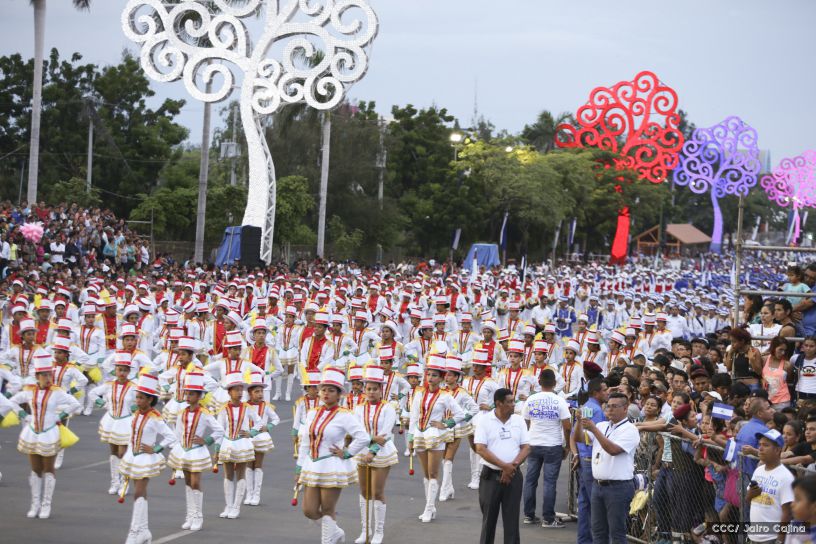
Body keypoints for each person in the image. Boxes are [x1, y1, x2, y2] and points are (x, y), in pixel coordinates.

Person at [297, 367, 370, 544]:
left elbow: (363, 437)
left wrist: (347, 453)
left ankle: (327, 540)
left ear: (339, 395)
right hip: (312, 465)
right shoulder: (312, 413)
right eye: (323, 389)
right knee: (309, 510)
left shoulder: (345, 415)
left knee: (328, 508)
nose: (326, 393)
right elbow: (305, 441)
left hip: (332, 465)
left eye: (331, 390)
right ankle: (335, 532)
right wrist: (299, 467)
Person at [118, 372, 177, 544]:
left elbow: (171, 436)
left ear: (150, 400)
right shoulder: (136, 413)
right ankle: (143, 531)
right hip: (133, 456)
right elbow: (133, 434)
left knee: (138, 493)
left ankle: (134, 531)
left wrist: (156, 448)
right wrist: (127, 452)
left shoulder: (155, 417)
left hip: (145, 458)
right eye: (137, 397)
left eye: (141, 398)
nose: (138, 401)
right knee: (140, 494)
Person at [408, 352, 466, 523]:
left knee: (433, 473)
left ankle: (428, 508)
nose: (430, 378)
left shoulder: (445, 396)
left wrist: (446, 424)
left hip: (435, 436)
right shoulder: (419, 393)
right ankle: (430, 507)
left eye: (434, 375)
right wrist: (410, 439)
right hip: (419, 434)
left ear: (441, 378)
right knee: (425, 474)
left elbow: (460, 414)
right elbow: (413, 416)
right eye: (428, 374)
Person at [575, 391, 640, 544]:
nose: (609, 409)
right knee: (598, 531)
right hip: (598, 485)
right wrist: (578, 422)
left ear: (625, 409)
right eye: (608, 406)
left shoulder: (630, 430)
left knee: (617, 532)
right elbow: (579, 438)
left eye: (614, 406)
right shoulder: (602, 425)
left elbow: (613, 450)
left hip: (618, 487)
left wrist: (594, 430)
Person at [167, 371, 225, 532]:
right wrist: (177, 451)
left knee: (195, 482)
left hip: (197, 452)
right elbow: (178, 434)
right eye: (187, 393)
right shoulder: (182, 413)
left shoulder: (205, 413)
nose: (188, 396)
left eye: (191, 394)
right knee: (187, 483)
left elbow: (219, 431)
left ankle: (198, 516)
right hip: (184, 450)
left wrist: (206, 440)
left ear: (199, 396)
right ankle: (190, 515)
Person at [474, 388, 530, 544]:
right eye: (510, 402)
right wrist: (504, 466)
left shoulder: (518, 420)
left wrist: (512, 466)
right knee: (488, 522)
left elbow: (526, 447)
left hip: (513, 476)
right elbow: (480, 448)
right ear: (498, 404)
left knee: (512, 522)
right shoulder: (485, 421)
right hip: (490, 477)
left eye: (513, 401)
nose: (514, 405)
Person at [353, 365, 399, 544]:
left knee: (377, 492)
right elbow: (357, 432)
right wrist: (367, 442)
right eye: (368, 389)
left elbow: (386, 435)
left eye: (374, 389)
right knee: (364, 491)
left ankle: (379, 531)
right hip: (362, 451)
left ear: (381, 390)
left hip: (381, 453)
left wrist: (373, 451)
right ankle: (365, 530)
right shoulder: (358, 409)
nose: (371, 392)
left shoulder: (389, 408)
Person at [522, 368, 571, 528]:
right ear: (555, 383)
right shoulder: (559, 401)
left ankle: (529, 515)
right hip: (552, 445)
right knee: (549, 482)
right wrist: (567, 446)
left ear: (539, 382)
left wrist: (527, 441)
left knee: (530, 481)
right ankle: (548, 519)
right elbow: (567, 426)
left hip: (533, 444)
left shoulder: (531, 399)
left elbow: (526, 423)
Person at [88, 350, 138, 495]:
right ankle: (114, 482)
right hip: (111, 421)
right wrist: (101, 402)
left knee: (123, 453)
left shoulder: (134, 386)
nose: (121, 373)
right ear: (115, 370)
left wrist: (136, 407)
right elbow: (93, 393)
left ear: (129, 371)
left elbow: (148, 398)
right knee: (114, 452)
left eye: (124, 370)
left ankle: (124, 482)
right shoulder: (109, 385)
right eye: (119, 369)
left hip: (125, 421)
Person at [216, 372, 262, 519]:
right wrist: (217, 449)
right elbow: (219, 429)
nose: (240, 392)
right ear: (229, 392)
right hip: (227, 443)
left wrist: (252, 433)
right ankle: (228, 506)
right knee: (228, 475)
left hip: (242, 443)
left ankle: (236, 507)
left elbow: (260, 421)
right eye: (236, 389)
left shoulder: (247, 407)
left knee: (240, 474)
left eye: (241, 389)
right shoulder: (223, 409)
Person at [571, 377, 608, 544]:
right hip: (591, 460)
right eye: (605, 390)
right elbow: (596, 437)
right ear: (596, 392)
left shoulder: (586, 407)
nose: (607, 392)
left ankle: (584, 540)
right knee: (594, 505)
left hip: (583, 458)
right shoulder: (597, 411)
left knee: (585, 502)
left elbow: (574, 435)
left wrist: (576, 454)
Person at [747, 429, 793, 543]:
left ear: (777, 450)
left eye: (765, 445)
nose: (760, 449)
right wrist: (751, 494)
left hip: (771, 538)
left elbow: (787, 513)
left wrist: (780, 540)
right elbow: (747, 500)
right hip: (754, 536)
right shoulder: (758, 471)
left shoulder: (786, 477)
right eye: (760, 445)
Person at [245, 370, 280, 506]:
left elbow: (276, 419)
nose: (260, 394)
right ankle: (249, 493)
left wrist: (268, 427)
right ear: (250, 393)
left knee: (257, 465)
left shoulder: (265, 406)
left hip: (260, 437)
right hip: (247, 438)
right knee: (249, 464)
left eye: (261, 391)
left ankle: (256, 494)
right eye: (256, 391)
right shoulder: (245, 406)